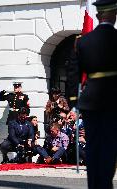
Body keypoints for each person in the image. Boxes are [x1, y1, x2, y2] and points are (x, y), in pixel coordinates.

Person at [68, 0, 117, 187]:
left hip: (90, 101)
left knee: (94, 145)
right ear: (114, 16)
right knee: (109, 146)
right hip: (113, 99)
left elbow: (73, 72)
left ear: (97, 16)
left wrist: (74, 99)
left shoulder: (83, 41)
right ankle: (104, 184)